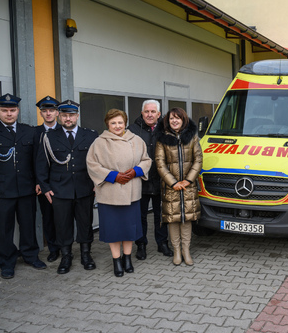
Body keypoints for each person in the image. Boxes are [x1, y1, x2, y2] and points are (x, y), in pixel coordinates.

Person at [0, 93, 45, 279]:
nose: (9, 114)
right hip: (1, 191)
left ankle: (30, 256)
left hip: (26, 188)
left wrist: (38, 182)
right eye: (5, 110)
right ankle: (7, 263)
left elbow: (37, 161)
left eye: (12, 110)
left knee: (28, 225)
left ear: (17, 111)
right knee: (4, 229)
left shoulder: (29, 131)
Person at [35, 100, 99, 274]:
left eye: (71, 115)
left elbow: (98, 162)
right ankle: (66, 256)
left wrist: (97, 183)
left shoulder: (91, 135)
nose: (68, 118)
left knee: (85, 223)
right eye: (64, 115)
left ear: (77, 116)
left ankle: (86, 254)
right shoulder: (48, 137)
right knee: (62, 225)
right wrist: (46, 187)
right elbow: (41, 165)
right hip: (59, 189)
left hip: (84, 187)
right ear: (59, 115)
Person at [86, 109, 151, 277]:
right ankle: (116, 260)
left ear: (125, 123)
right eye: (113, 123)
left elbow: (146, 160)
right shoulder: (99, 142)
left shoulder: (136, 140)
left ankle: (127, 258)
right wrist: (113, 176)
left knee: (129, 228)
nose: (117, 126)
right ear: (108, 124)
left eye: (120, 122)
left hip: (131, 193)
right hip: (109, 194)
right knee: (114, 230)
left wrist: (136, 171)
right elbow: (92, 164)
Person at [155, 108, 203, 266]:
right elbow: (160, 163)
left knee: (187, 219)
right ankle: (176, 251)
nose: (174, 121)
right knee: (173, 219)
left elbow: (198, 160)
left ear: (184, 120)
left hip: (188, 187)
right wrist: (173, 182)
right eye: (171, 119)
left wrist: (188, 181)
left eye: (177, 118)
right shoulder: (162, 139)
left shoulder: (192, 138)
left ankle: (186, 251)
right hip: (171, 187)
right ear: (167, 121)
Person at [127, 100, 173, 260]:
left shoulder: (167, 130)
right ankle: (141, 245)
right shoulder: (132, 130)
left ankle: (163, 243)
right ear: (142, 113)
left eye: (153, 112)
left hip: (161, 181)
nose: (149, 114)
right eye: (146, 111)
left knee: (161, 214)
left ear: (159, 114)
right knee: (140, 216)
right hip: (140, 182)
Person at [34, 96, 61, 263]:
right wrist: (39, 182)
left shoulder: (64, 130)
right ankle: (53, 249)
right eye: (45, 111)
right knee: (48, 218)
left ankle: (65, 247)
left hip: (63, 183)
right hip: (44, 184)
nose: (48, 113)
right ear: (41, 113)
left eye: (52, 110)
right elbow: (32, 160)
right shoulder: (34, 133)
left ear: (57, 112)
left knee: (63, 218)